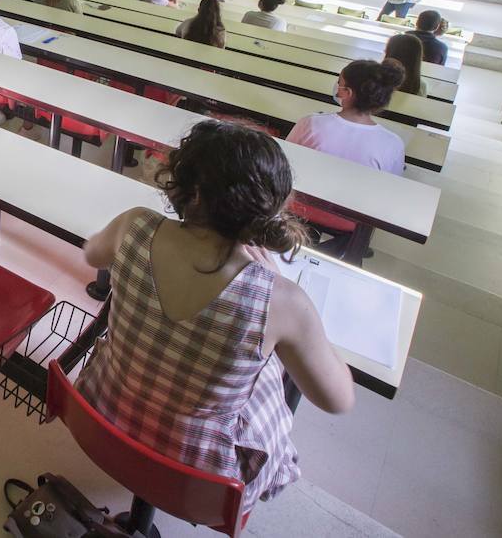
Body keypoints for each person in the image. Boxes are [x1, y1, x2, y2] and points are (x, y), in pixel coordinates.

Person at [78, 121, 354, 517]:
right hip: (200, 477)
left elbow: (92, 254)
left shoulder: (134, 225)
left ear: (185, 189)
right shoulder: (282, 300)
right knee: (268, 382)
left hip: (103, 416)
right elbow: (337, 400)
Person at [287, 60, 407, 175]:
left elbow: (284, 161)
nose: (336, 86)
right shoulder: (393, 143)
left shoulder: (311, 123)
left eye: (339, 82)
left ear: (347, 93)